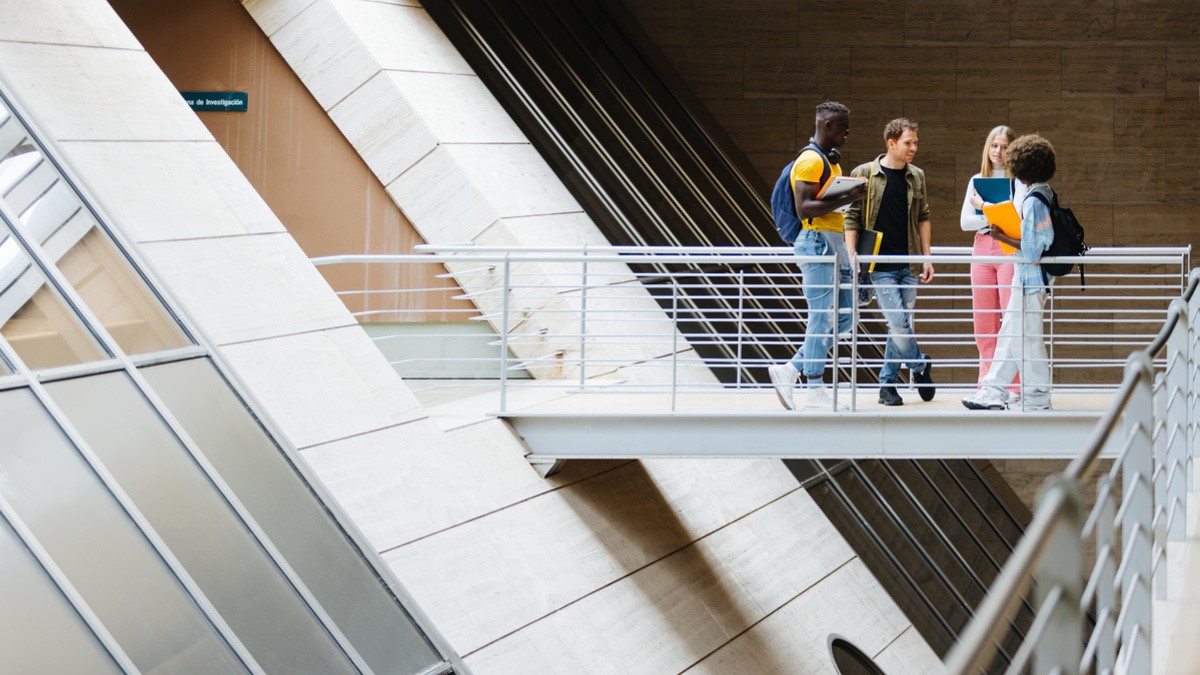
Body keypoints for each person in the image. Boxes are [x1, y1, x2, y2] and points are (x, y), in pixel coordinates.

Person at [768, 101, 867, 411]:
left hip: (833, 242)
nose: (847, 132)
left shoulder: (830, 162)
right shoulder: (811, 161)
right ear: (826, 125)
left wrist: (847, 198)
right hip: (817, 243)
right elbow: (804, 208)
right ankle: (813, 388)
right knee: (821, 316)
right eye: (843, 127)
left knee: (847, 315)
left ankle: (791, 368)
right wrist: (849, 196)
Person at [962, 134, 1058, 411]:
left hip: (1031, 278)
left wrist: (1001, 237)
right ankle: (993, 390)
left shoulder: (1034, 200)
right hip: (1025, 277)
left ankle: (1037, 397)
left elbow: (1032, 250)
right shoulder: (1041, 193)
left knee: (1027, 338)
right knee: (1010, 335)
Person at [844, 118, 935, 406]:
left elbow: (923, 217)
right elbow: (851, 217)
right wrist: (852, 255)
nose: (914, 148)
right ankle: (919, 364)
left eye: (916, 142)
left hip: (908, 263)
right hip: (878, 265)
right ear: (891, 143)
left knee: (900, 324)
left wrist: (927, 257)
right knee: (897, 322)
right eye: (908, 143)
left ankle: (887, 384)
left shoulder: (916, 175)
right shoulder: (864, 174)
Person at [961, 125, 1020, 395]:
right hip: (983, 247)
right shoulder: (977, 179)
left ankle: (1014, 386)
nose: (998, 151)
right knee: (984, 321)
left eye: (1005, 147)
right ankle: (986, 384)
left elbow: (1016, 219)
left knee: (1010, 317)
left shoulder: (1018, 181)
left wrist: (984, 209)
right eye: (994, 146)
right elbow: (965, 222)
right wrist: (995, 216)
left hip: (1008, 247)